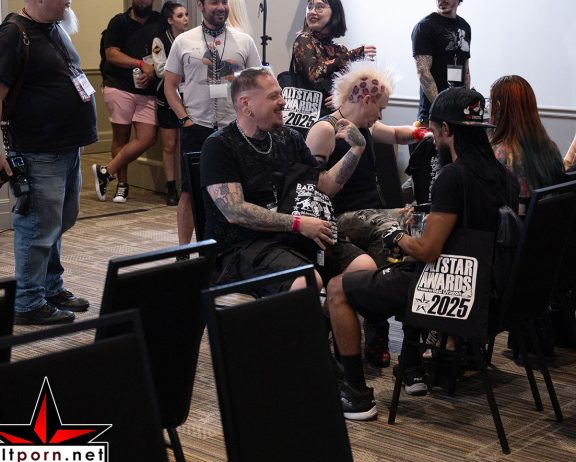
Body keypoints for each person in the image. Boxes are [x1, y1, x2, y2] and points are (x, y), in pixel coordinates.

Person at [327, 87, 517, 421]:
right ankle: (411, 366)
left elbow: (428, 250)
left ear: (446, 129)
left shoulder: (452, 176)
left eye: (434, 130)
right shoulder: (502, 174)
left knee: (338, 288)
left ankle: (356, 394)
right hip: (490, 289)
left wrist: (395, 235)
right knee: (401, 267)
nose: (432, 137)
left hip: (450, 291)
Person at [200, 67, 376, 294]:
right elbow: (235, 211)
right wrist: (298, 223)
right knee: (307, 280)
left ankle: (329, 311)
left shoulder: (288, 137)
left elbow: (325, 186)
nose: (283, 102)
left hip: (290, 237)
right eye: (273, 96)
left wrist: (356, 150)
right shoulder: (220, 145)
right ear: (246, 104)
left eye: (281, 95)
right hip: (241, 246)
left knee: (364, 268)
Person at [306, 59, 432, 368]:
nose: (381, 115)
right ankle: (376, 327)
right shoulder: (325, 130)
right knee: (388, 229)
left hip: (369, 214)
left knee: (415, 220)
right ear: (365, 99)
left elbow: (398, 133)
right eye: (380, 107)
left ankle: (395, 328)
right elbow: (322, 190)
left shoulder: (367, 126)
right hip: (337, 217)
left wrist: (425, 134)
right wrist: (356, 149)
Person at [0, 0, 96, 324]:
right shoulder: (13, 33)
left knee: (58, 223)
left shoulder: (55, 28)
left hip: (67, 147)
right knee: (37, 227)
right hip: (39, 150)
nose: (69, 1)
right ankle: (27, 302)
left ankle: (51, 287)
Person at [163, 0, 261, 246]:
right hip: (197, 127)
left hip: (235, 129)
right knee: (189, 192)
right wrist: (185, 120)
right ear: (200, 5)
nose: (221, 7)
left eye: (224, 2)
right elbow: (170, 86)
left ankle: (236, 247)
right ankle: (184, 252)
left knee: (238, 191)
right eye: (214, 2)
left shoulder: (244, 41)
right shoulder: (183, 41)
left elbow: (257, 86)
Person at [92, 0, 160, 204]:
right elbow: (111, 54)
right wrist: (140, 64)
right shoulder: (118, 22)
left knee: (147, 137)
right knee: (120, 138)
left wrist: (152, 71)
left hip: (148, 91)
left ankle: (106, 171)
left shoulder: (159, 21)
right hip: (119, 86)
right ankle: (122, 185)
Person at [488, 75, 564, 208]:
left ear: (498, 107)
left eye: (489, 101)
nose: (487, 107)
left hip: (512, 220)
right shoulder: (550, 148)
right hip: (545, 219)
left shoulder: (499, 154)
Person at [292, 0, 376, 117]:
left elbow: (347, 86)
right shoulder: (304, 39)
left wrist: (341, 97)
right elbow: (313, 74)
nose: (312, 12)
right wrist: (353, 55)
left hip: (334, 116)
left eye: (319, 7)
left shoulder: (340, 50)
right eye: (309, 7)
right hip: (306, 116)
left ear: (335, 12)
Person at [152, 1, 189, 206]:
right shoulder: (160, 40)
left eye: (186, 14)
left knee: (188, 144)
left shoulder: (190, 39)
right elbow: (160, 70)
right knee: (169, 145)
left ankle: (188, 185)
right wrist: (182, 70)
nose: (185, 19)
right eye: (180, 16)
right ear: (169, 20)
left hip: (188, 97)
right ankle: (171, 187)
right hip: (167, 98)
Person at [412, 0, 471, 126]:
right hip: (432, 116)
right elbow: (423, 72)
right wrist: (442, 109)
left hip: (457, 114)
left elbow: (466, 70)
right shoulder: (425, 27)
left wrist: (465, 105)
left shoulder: (465, 26)